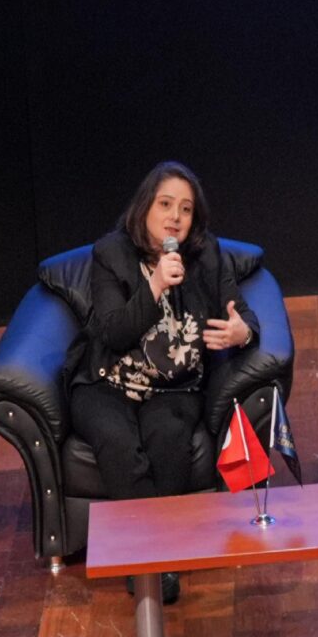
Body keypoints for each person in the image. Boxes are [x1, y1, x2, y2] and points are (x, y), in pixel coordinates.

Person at [67, 162, 260, 604]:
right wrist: (153, 284)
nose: (175, 216)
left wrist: (240, 333)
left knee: (169, 440)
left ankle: (157, 558)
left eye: (186, 209)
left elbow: (244, 314)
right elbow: (114, 332)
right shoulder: (111, 253)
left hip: (173, 388)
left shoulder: (206, 255)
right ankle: (149, 563)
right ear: (145, 208)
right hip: (106, 383)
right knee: (119, 445)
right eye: (165, 204)